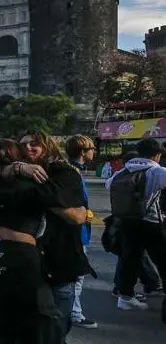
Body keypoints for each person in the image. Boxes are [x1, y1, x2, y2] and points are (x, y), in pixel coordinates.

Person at [0, 130, 89, 343]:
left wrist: (1, 198)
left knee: (54, 332)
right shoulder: (17, 173)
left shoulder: (64, 172)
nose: (28, 148)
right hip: (31, 265)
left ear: (47, 146)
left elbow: (67, 210)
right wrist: (16, 167)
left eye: (34, 144)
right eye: (24, 145)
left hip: (59, 264)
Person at [106, 138, 166, 316]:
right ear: (157, 154)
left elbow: (109, 184)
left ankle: (125, 297)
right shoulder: (156, 171)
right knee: (163, 260)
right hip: (151, 223)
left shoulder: (123, 171)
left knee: (130, 258)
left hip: (126, 222)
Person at [65, 135, 99, 329]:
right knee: (77, 276)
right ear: (83, 152)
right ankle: (74, 313)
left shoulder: (75, 171)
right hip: (76, 232)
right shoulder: (72, 172)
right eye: (91, 148)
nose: (93, 152)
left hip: (79, 230)